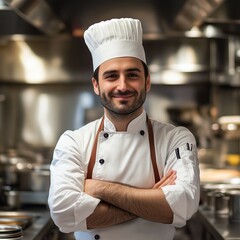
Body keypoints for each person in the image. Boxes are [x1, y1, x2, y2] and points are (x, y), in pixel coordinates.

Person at [48, 18, 200, 240]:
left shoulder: (175, 138)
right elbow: (63, 214)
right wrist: (153, 200)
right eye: (111, 76)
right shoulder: (73, 142)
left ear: (147, 81)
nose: (122, 86)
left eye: (132, 75)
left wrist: (98, 189)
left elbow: (184, 205)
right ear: (96, 85)